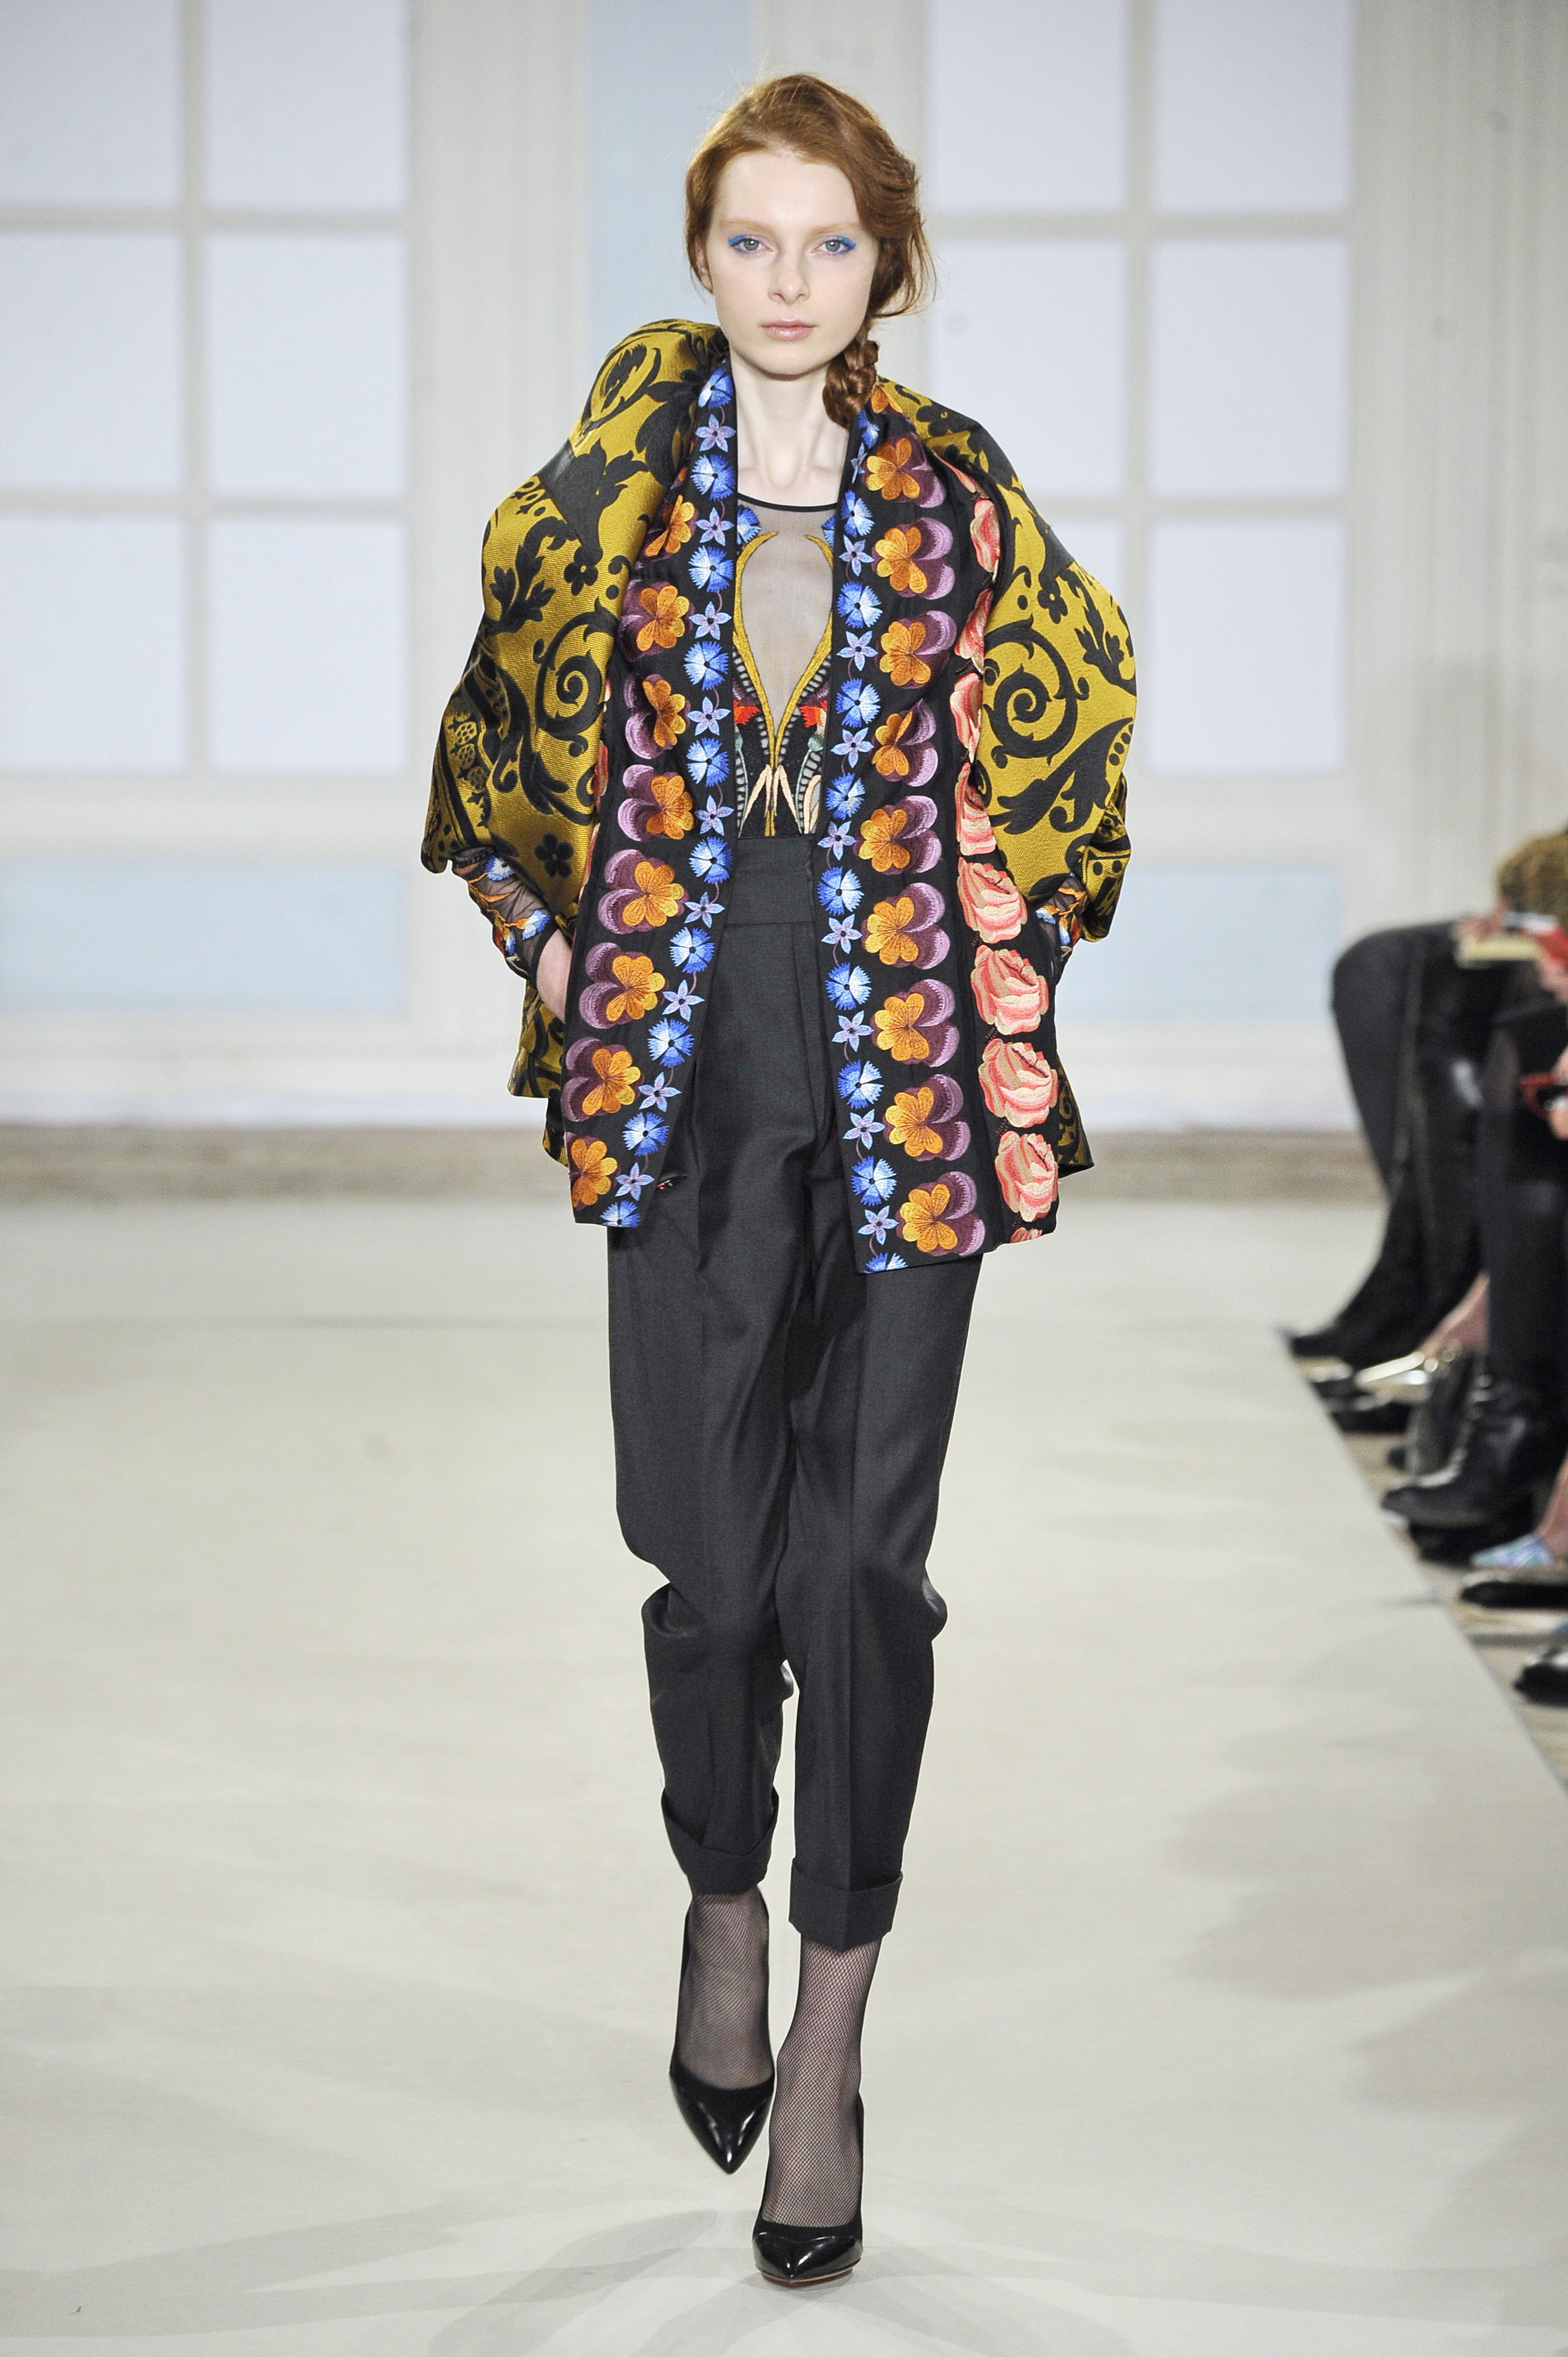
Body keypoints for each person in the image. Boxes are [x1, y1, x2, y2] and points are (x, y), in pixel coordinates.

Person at [422, 75, 1135, 2286]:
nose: (792, 279)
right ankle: (720, 1892)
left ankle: (828, 2030)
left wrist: (1007, 945)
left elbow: (1082, 736)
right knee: (715, 1571)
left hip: (910, 1090)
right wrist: (559, 947)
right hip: (686, 1084)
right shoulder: (609, 494)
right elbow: (490, 748)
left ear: (886, 260)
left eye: (831, 242)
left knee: (859, 1577)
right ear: (703, 256)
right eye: (754, 239)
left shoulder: (961, 492)